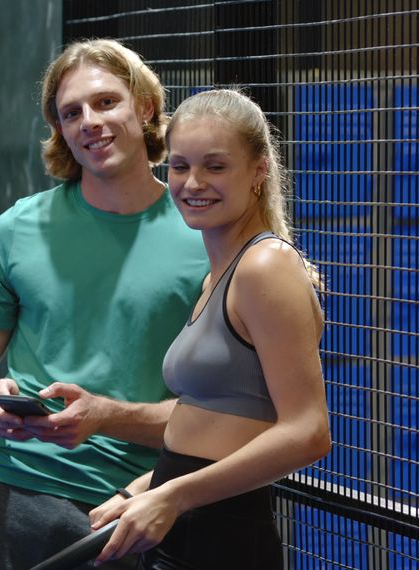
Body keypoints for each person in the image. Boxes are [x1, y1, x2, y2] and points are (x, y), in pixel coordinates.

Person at [0, 39, 209, 569]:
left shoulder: (204, 235)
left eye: (107, 102)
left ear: (146, 107)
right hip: (8, 487)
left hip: (139, 502)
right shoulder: (17, 228)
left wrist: (107, 417)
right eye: (71, 112)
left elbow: (228, 417)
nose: (89, 121)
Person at [88, 88, 332, 569]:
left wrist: (174, 496)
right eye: (180, 166)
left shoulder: (265, 265)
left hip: (224, 536)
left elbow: (309, 431)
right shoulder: (218, 272)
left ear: (259, 170)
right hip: (183, 525)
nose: (192, 183)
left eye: (215, 167)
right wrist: (143, 491)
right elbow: (213, 420)